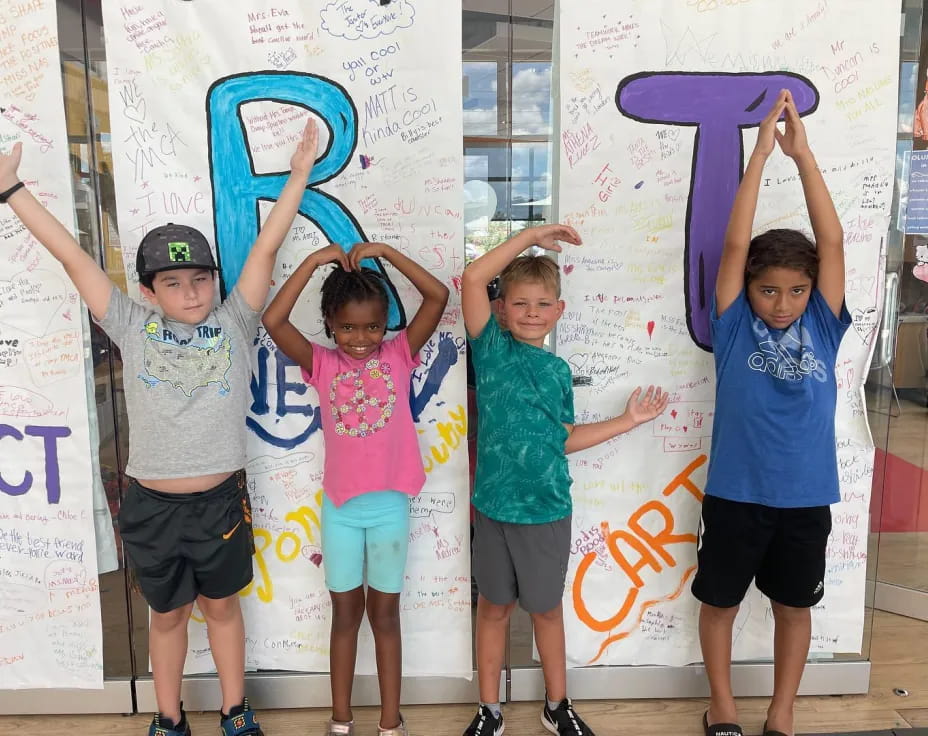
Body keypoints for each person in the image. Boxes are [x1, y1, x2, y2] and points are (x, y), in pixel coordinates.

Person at [0, 119, 321, 736]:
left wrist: (300, 174)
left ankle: (235, 710)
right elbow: (72, 256)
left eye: (200, 278)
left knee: (222, 609)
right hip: (151, 507)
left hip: (222, 504)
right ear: (149, 292)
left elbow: (265, 250)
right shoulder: (130, 325)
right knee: (168, 616)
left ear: (215, 283)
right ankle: (168, 718)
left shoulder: (234, 323)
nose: (192, 291)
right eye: (173, 283)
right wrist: (13, 190)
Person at [460, 224, 669, 736]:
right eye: (521, 303)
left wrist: (627, 421)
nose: (531, 312)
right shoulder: (489, 350)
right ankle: (489, 710)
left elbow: (564, 437)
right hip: (492, 509)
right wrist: (531, 236)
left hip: (546, 511)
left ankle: (557, 705)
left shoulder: (556, 371)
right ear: (502, 310)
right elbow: (471, 276)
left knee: (546, 613)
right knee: (492, 609)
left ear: (559, 311)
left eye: (543, 303)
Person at [692, 90, 850, 736]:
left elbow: (832, 239)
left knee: (793, 605)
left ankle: (782, 711)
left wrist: (803, 157)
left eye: (795, 290)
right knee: (720, 603)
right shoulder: (732, 328)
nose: (782, 304)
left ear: (812, 292)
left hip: (806, 495)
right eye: (768, 290)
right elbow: (734, 246)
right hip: (736, 493)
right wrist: (759, 157)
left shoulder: (824, 323)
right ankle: (722, 705)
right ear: (748, 290)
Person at [262, 241, 449, 736]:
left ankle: (391, 722)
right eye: (347, 327)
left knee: (384, 615)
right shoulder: (322, 364)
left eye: (372, 326)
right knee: (345, 615)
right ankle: (340, 720)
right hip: (340, 510)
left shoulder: (400, 353)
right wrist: (312, 262)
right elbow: (274, 321)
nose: (361, 338)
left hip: (390, 508)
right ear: (329, 323)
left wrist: (386, 253)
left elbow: (437, 295)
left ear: (387, 322)